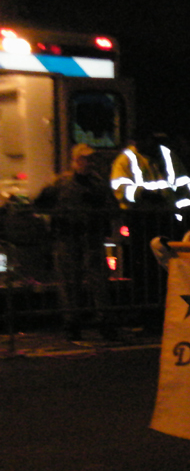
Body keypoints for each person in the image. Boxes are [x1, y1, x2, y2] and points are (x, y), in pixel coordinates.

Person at [35, 144, 119, 341]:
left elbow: (113, 208)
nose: (88, 163)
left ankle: (103, 321)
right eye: (84, 159)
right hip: (67, 237)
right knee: (69, 282)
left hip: (91, 237)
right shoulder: (61, 184)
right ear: (75, 161)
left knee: (98, 281)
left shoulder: (98, 184)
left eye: (90, 159)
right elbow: (41, 204)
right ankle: (72, 322)